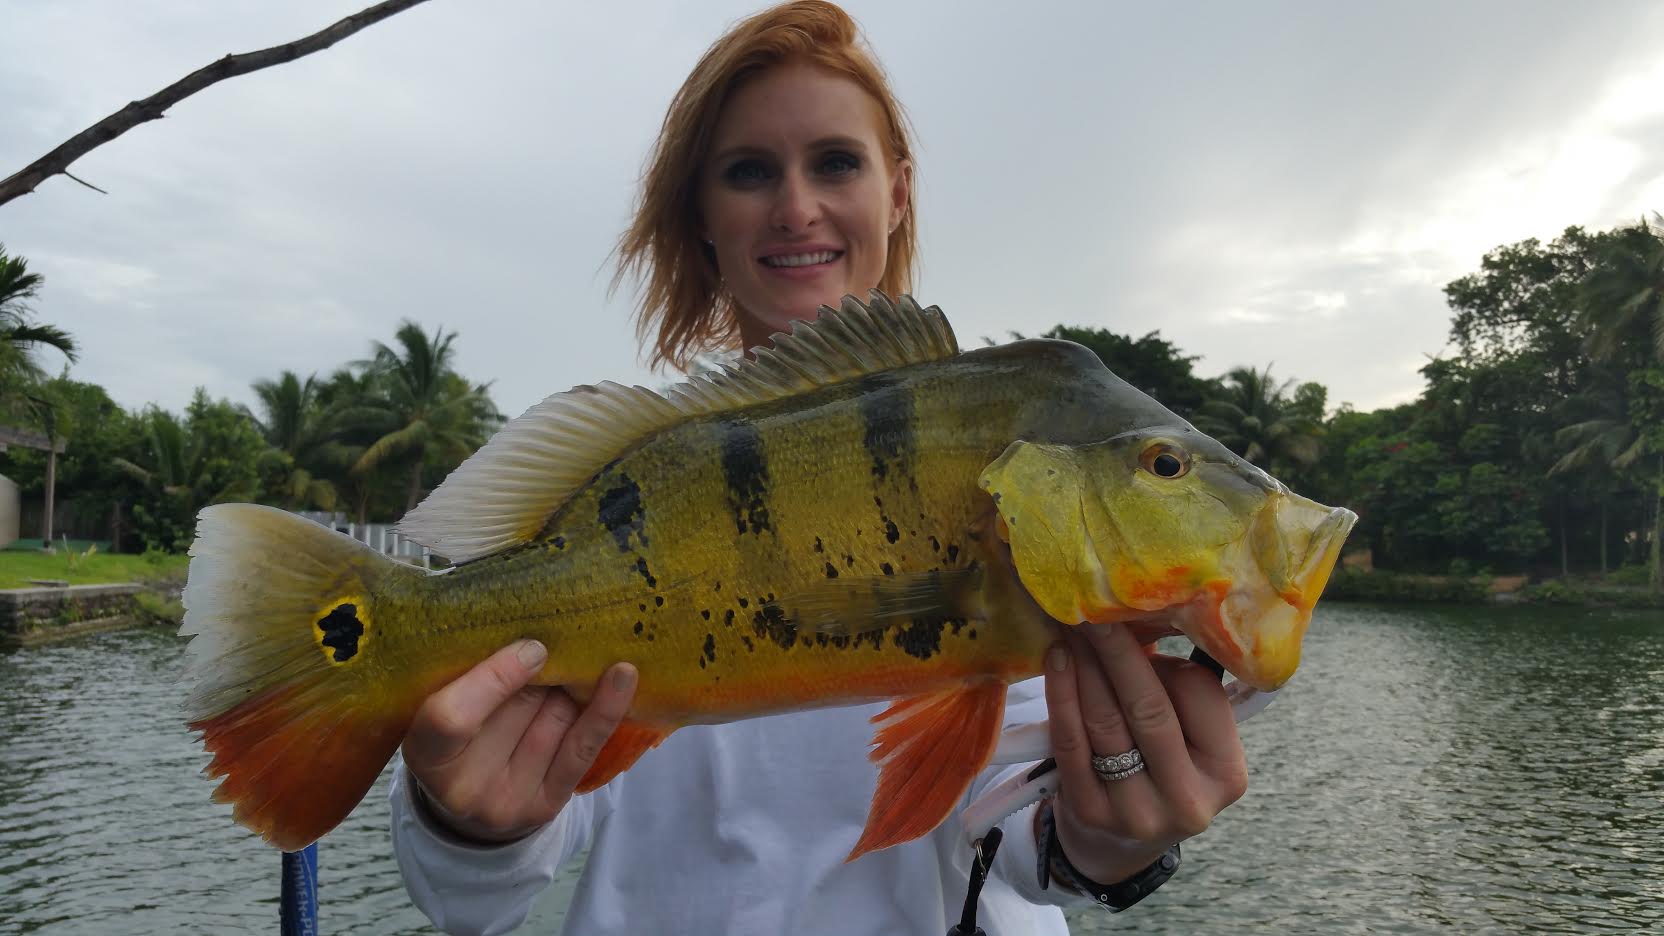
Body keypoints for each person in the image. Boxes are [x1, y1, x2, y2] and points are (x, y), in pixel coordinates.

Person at [389, 3, 1249, 933]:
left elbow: (1025, 849)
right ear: (703, 216)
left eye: (836, 162)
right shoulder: (635, 479)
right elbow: (477, 893)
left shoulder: (1014, 475)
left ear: (899, 191)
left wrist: (1112, 839)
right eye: (749, 171)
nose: (796, 206)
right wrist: (466, 823)